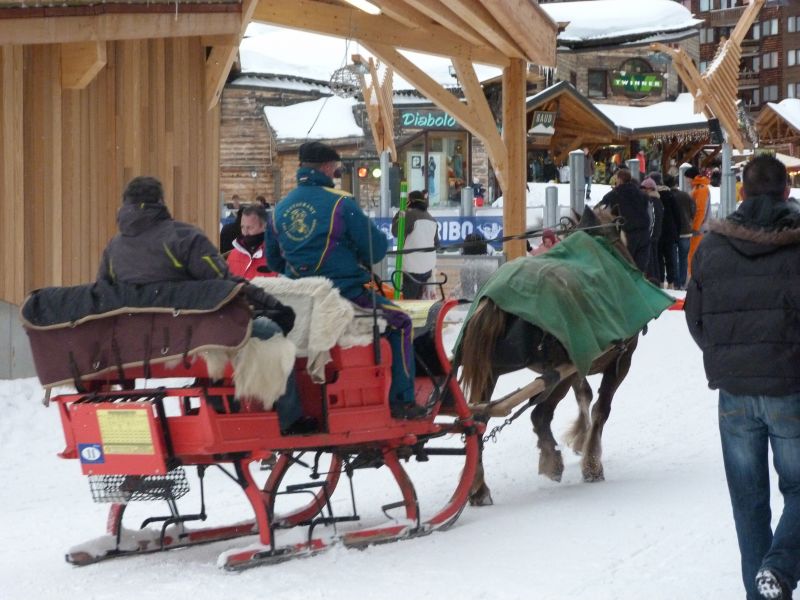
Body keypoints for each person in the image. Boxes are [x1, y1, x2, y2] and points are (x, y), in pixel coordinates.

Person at [97, 176, 312, 435]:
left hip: (145, 340)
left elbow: (105, 292)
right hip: (193, 332)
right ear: (160, 202)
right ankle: (290, 420)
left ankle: (217, 401)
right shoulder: (183, 237)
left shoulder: (114, 247)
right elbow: (226, 281)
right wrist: (274, 305)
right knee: (270, 331)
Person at [685, 155, 800, 600]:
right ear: (786, 192)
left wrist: (727, 358)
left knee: (748, 503)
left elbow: (696, 319)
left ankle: (764, 591)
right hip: (790, 387)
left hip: (734, 394)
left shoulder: (712, 247)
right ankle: (779, 567)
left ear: (742, 193)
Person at [265, 141, 423, 419]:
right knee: (401, 322)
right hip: (344, 295)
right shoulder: (341, 203)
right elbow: (376, 248)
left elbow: (274, 261)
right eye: (336, 168)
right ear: (327, 167)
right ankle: (402, 400)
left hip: (299, 301)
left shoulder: (279, 209)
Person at [597, 168, 651, 273]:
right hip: (644, 233)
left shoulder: (613, 195)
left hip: (627, 234)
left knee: (626, 267)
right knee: (640, 269)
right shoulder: (642, 194)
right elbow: (649, 213)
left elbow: (600, 211)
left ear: (620, 180)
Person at [391, 190, 439, 299]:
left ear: (409, 202)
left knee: (410, 302)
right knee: (421, 302)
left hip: (411, 268)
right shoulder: (432, 219)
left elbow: (395, 231)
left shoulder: (409, 215)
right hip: (428, 269)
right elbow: (436, 244)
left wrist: (400, 212)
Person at [227, 205, 275, 280]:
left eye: (250, 227)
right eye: (242, 227)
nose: (245, 232)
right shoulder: (233, 254)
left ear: (264, 226)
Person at [665, 173, 694, 290]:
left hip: (672, 232)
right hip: (686, 230)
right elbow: (693, 210)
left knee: (672, 258)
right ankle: (682, 282)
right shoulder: (685, 195)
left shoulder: (666, 196)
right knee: (683, 258)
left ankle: (675, 283)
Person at [686, 166, 711, 278]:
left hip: (698, 228)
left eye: (687, 178)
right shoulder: (698, 188)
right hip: (699, 227)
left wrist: (695, 228)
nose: (686, 180)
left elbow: (700, 210)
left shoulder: (700, 189)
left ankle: (694, 278)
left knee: (694, 254)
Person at [640, 177, 663, 283]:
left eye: (644, 188)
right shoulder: (658, 201)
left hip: (651, 234)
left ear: (650, 189)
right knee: (655, 258)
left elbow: (651, 219)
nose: (642, 190)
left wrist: (649, 234)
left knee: (651, 261)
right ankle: (657, 280)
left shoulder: (651, 201)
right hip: (656, 234)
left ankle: (653, 281)